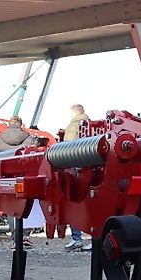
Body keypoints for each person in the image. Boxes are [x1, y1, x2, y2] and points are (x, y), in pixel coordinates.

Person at [62, 104, 92, 251]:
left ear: (74, 112)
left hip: (75, 168)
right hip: (86, 168)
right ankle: (93, 238)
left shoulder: (75, 125)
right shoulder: (89, 124)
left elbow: (69, 146)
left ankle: (77, 238)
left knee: (73, 202)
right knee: (88, 204)